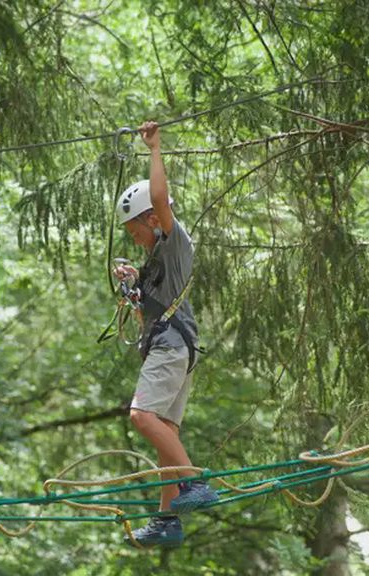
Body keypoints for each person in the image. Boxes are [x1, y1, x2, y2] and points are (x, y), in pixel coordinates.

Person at [114, 121, 218, 547]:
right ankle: (167, 519)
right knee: (164, 434)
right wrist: (132, 290)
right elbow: (148, 317)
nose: (135, 239)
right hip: (174, 347)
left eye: (135, 230)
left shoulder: (175, 243)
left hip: (172, 347)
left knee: (141, 416)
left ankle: (195, 484)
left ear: (153, 220)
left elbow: (159, 196)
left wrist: (154, 148)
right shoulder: (155, 262)